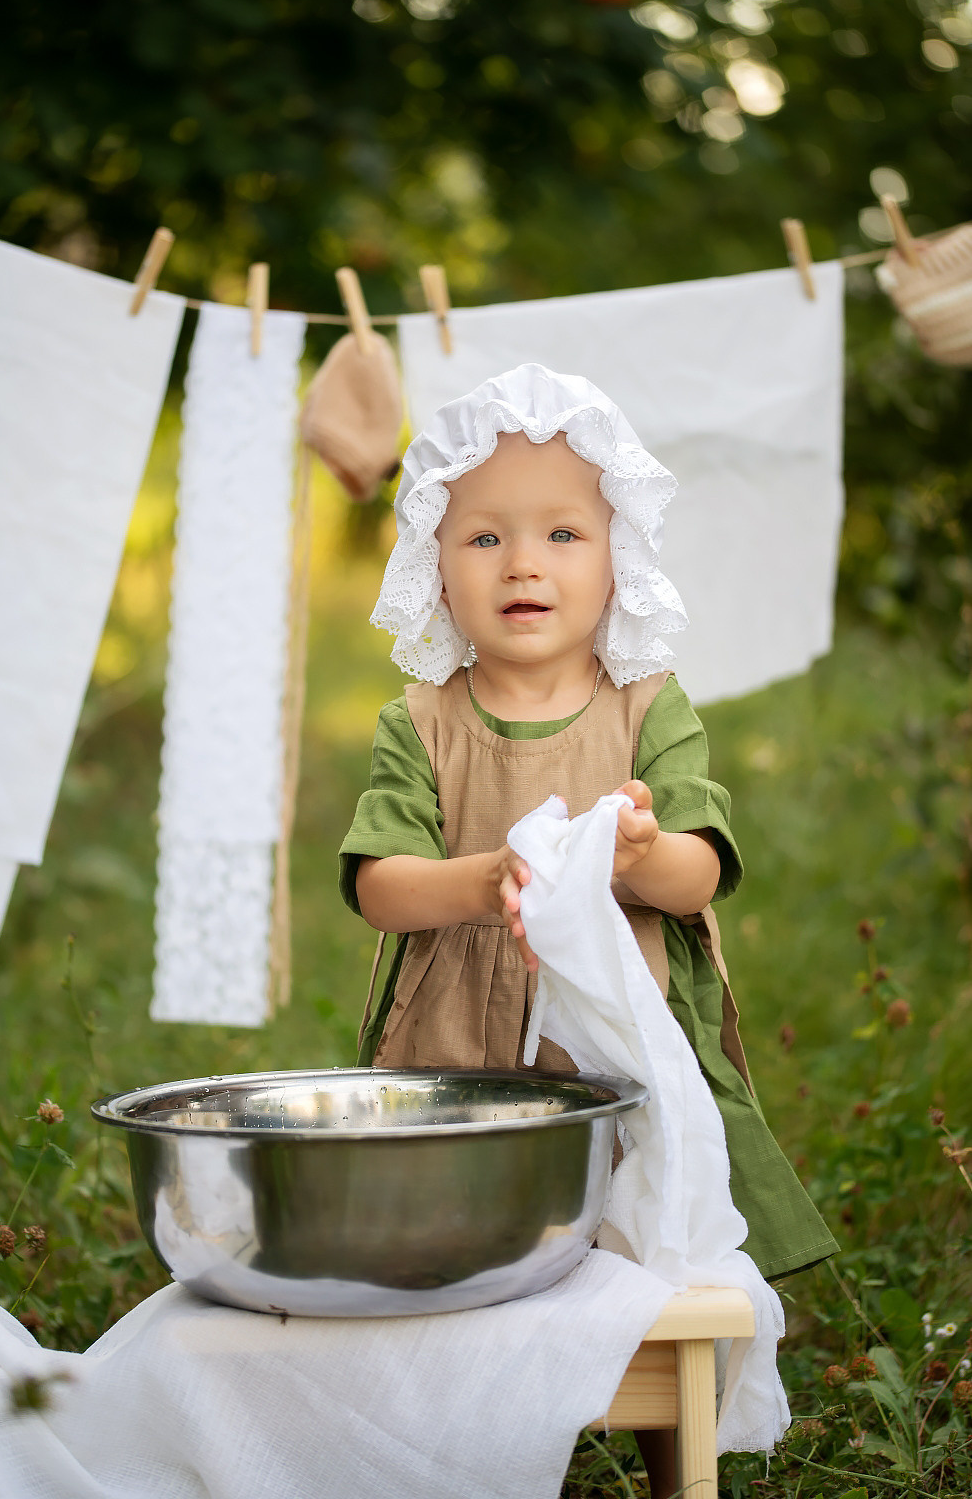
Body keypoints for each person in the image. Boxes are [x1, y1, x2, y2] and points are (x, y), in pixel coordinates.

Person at [339, 364, 837, 1496]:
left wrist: (638, 856)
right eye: (483, 539)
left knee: (629, 1220)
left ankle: (642, 1393)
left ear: (620, 562)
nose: (523, 563)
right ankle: (445, 1424)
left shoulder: (646, 705)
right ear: (434, 565)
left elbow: (701, 869)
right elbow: (378, 885)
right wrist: (482, 881)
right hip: (460, 1033)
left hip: (618, 1031)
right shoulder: (419, 718)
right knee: (457, 1231)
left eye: (564, 532)